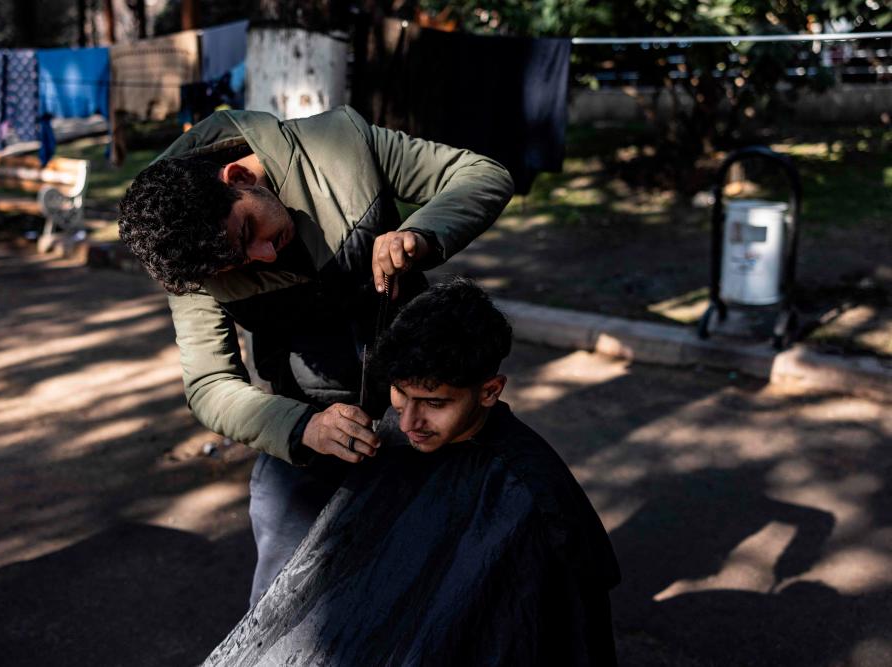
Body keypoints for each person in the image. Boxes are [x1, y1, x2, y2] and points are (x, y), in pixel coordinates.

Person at [118, 106, 514, 603]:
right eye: (237, 263)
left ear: (239, 176)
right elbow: (208, 385)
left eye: (247, 234)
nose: (261, 256)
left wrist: (421, 235)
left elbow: (483, 174)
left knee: (448, 581)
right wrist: (303, 428)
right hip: (309, 431)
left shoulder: (337, 143)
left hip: (425, 408)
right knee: (284, 600)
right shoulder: (193, 255)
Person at [201, 278, 621, 666]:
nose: (407, 422)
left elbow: (542, 633)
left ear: (490, 391)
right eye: (400, 394)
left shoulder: (529, 488)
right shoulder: (395, 441)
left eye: (434, 403)